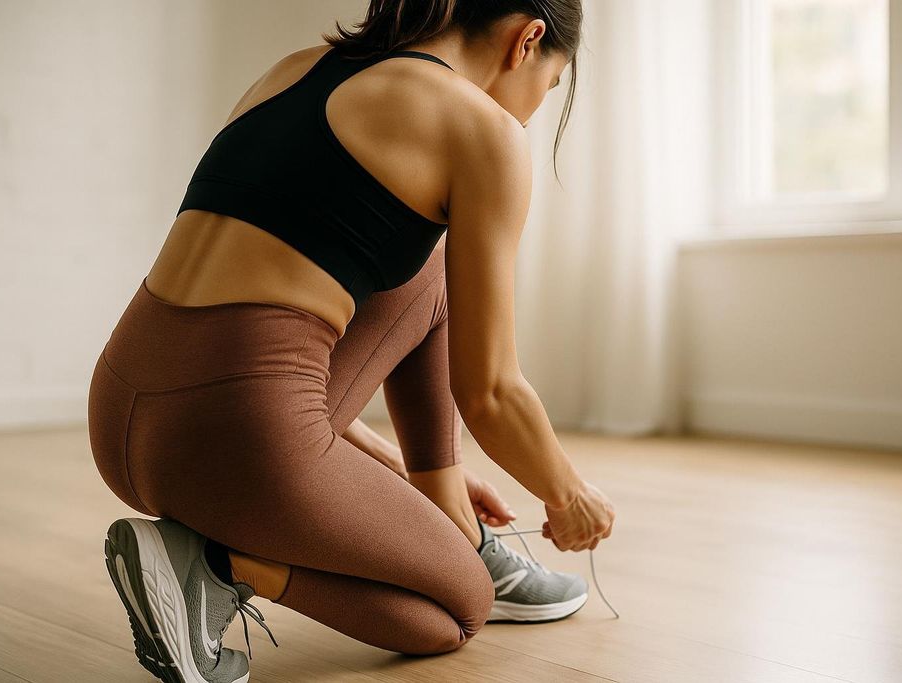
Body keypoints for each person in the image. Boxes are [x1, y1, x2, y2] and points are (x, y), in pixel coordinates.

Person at [88, 1, 614, 681]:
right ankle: (215, 565)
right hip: (232, 440)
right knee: (458, 608)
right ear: (529, 39)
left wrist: (401, 472)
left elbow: (262, 343)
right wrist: (570, 496)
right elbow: (489, 392)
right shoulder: (481, 129)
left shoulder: (295, 70)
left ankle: (447, 509)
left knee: (427, 263)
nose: (529, 114)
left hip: (120, 412)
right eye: (547, 87)